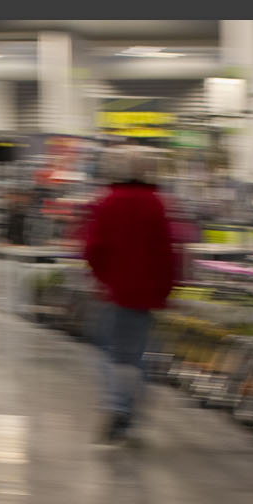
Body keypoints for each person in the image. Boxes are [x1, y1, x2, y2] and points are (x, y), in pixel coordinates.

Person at [77, 144, 180, 444]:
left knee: (107, 353)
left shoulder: (108, 201)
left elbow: (92, 248)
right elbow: (166, 253)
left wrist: (101, 278)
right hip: (146, 296)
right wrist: (166, 290)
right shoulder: (157, 203)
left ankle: (115, 404)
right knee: (139, 356)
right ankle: (131, 414)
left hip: (113, 292)